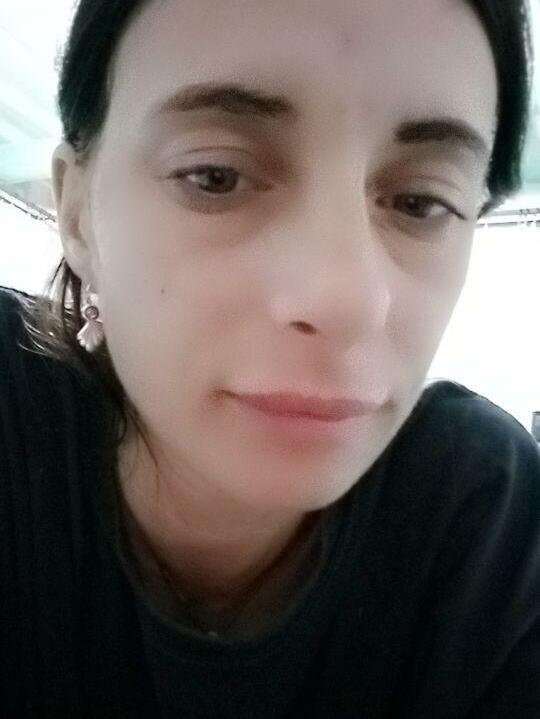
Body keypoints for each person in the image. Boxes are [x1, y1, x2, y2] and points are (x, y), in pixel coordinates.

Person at [1, 0, 538, 716]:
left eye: (420, 201)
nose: (348, 298)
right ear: (77, 216)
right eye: (216, 176)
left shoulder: (488, 529)